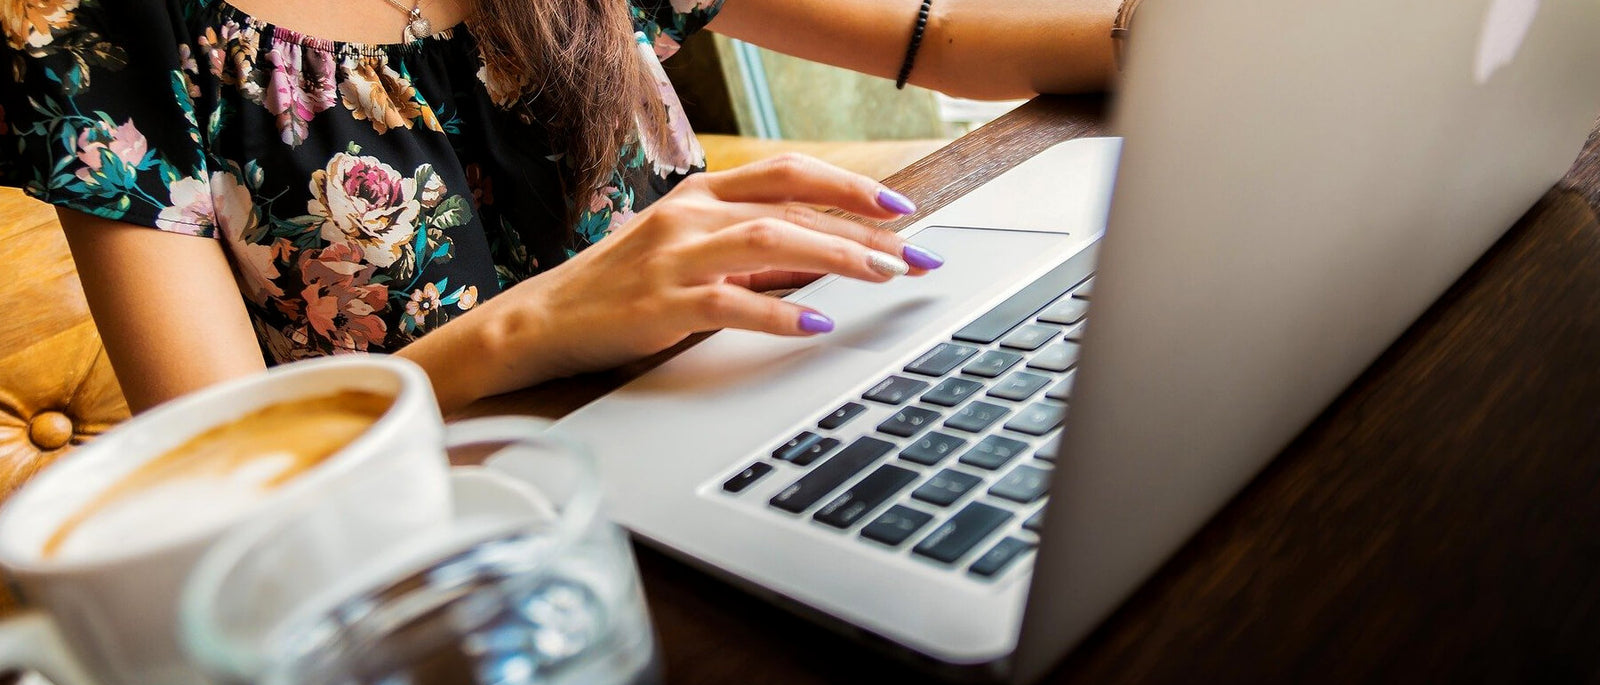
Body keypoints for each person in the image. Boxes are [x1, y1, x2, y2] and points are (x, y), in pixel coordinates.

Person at [0, 0, 1117, 414]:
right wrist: (541, 320)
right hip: (470, 541)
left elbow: (939, 34)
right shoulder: (96, 29)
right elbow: (221, 451)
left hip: (761, 393)